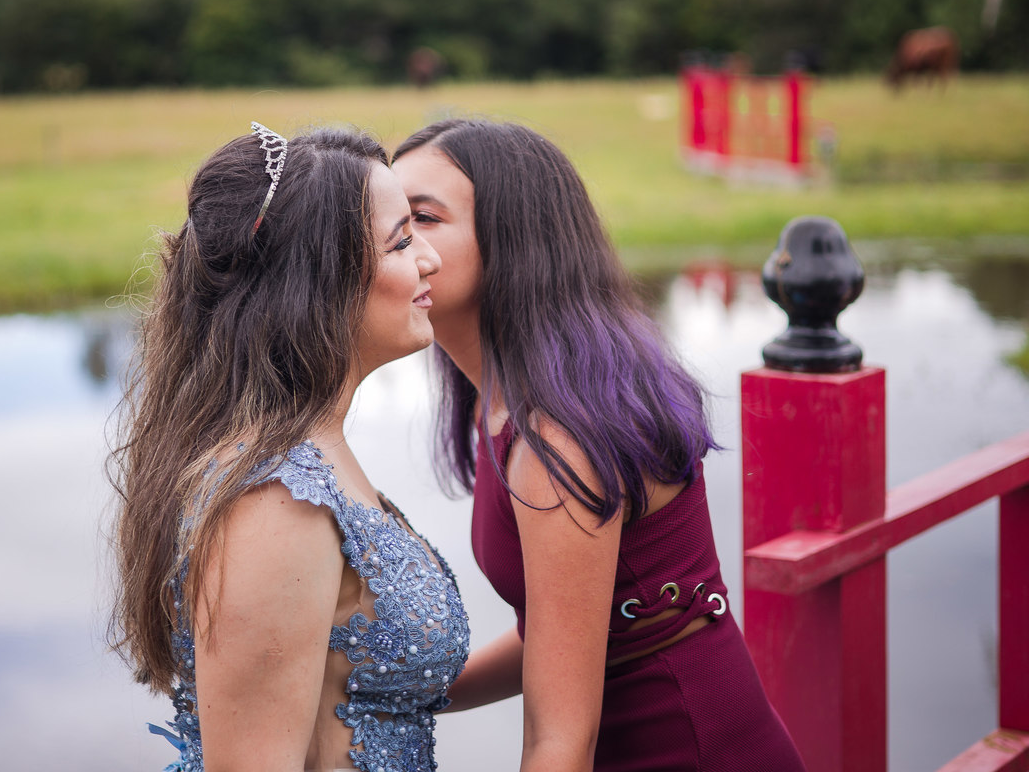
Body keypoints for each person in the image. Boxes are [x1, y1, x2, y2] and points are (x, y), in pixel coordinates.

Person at [392, 119, 806, 772]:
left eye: (422, 217)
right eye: (388, 218)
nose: (393, 242)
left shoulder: (556, 438)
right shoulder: (505, 395)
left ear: (513, 241)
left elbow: (560, 741)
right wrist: (400, 694)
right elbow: (566, 637)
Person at [109, 123, 470, 772]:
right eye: (400, 242)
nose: (429, 260)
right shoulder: (275, 503)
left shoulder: (314, 452)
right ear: (319, 282)